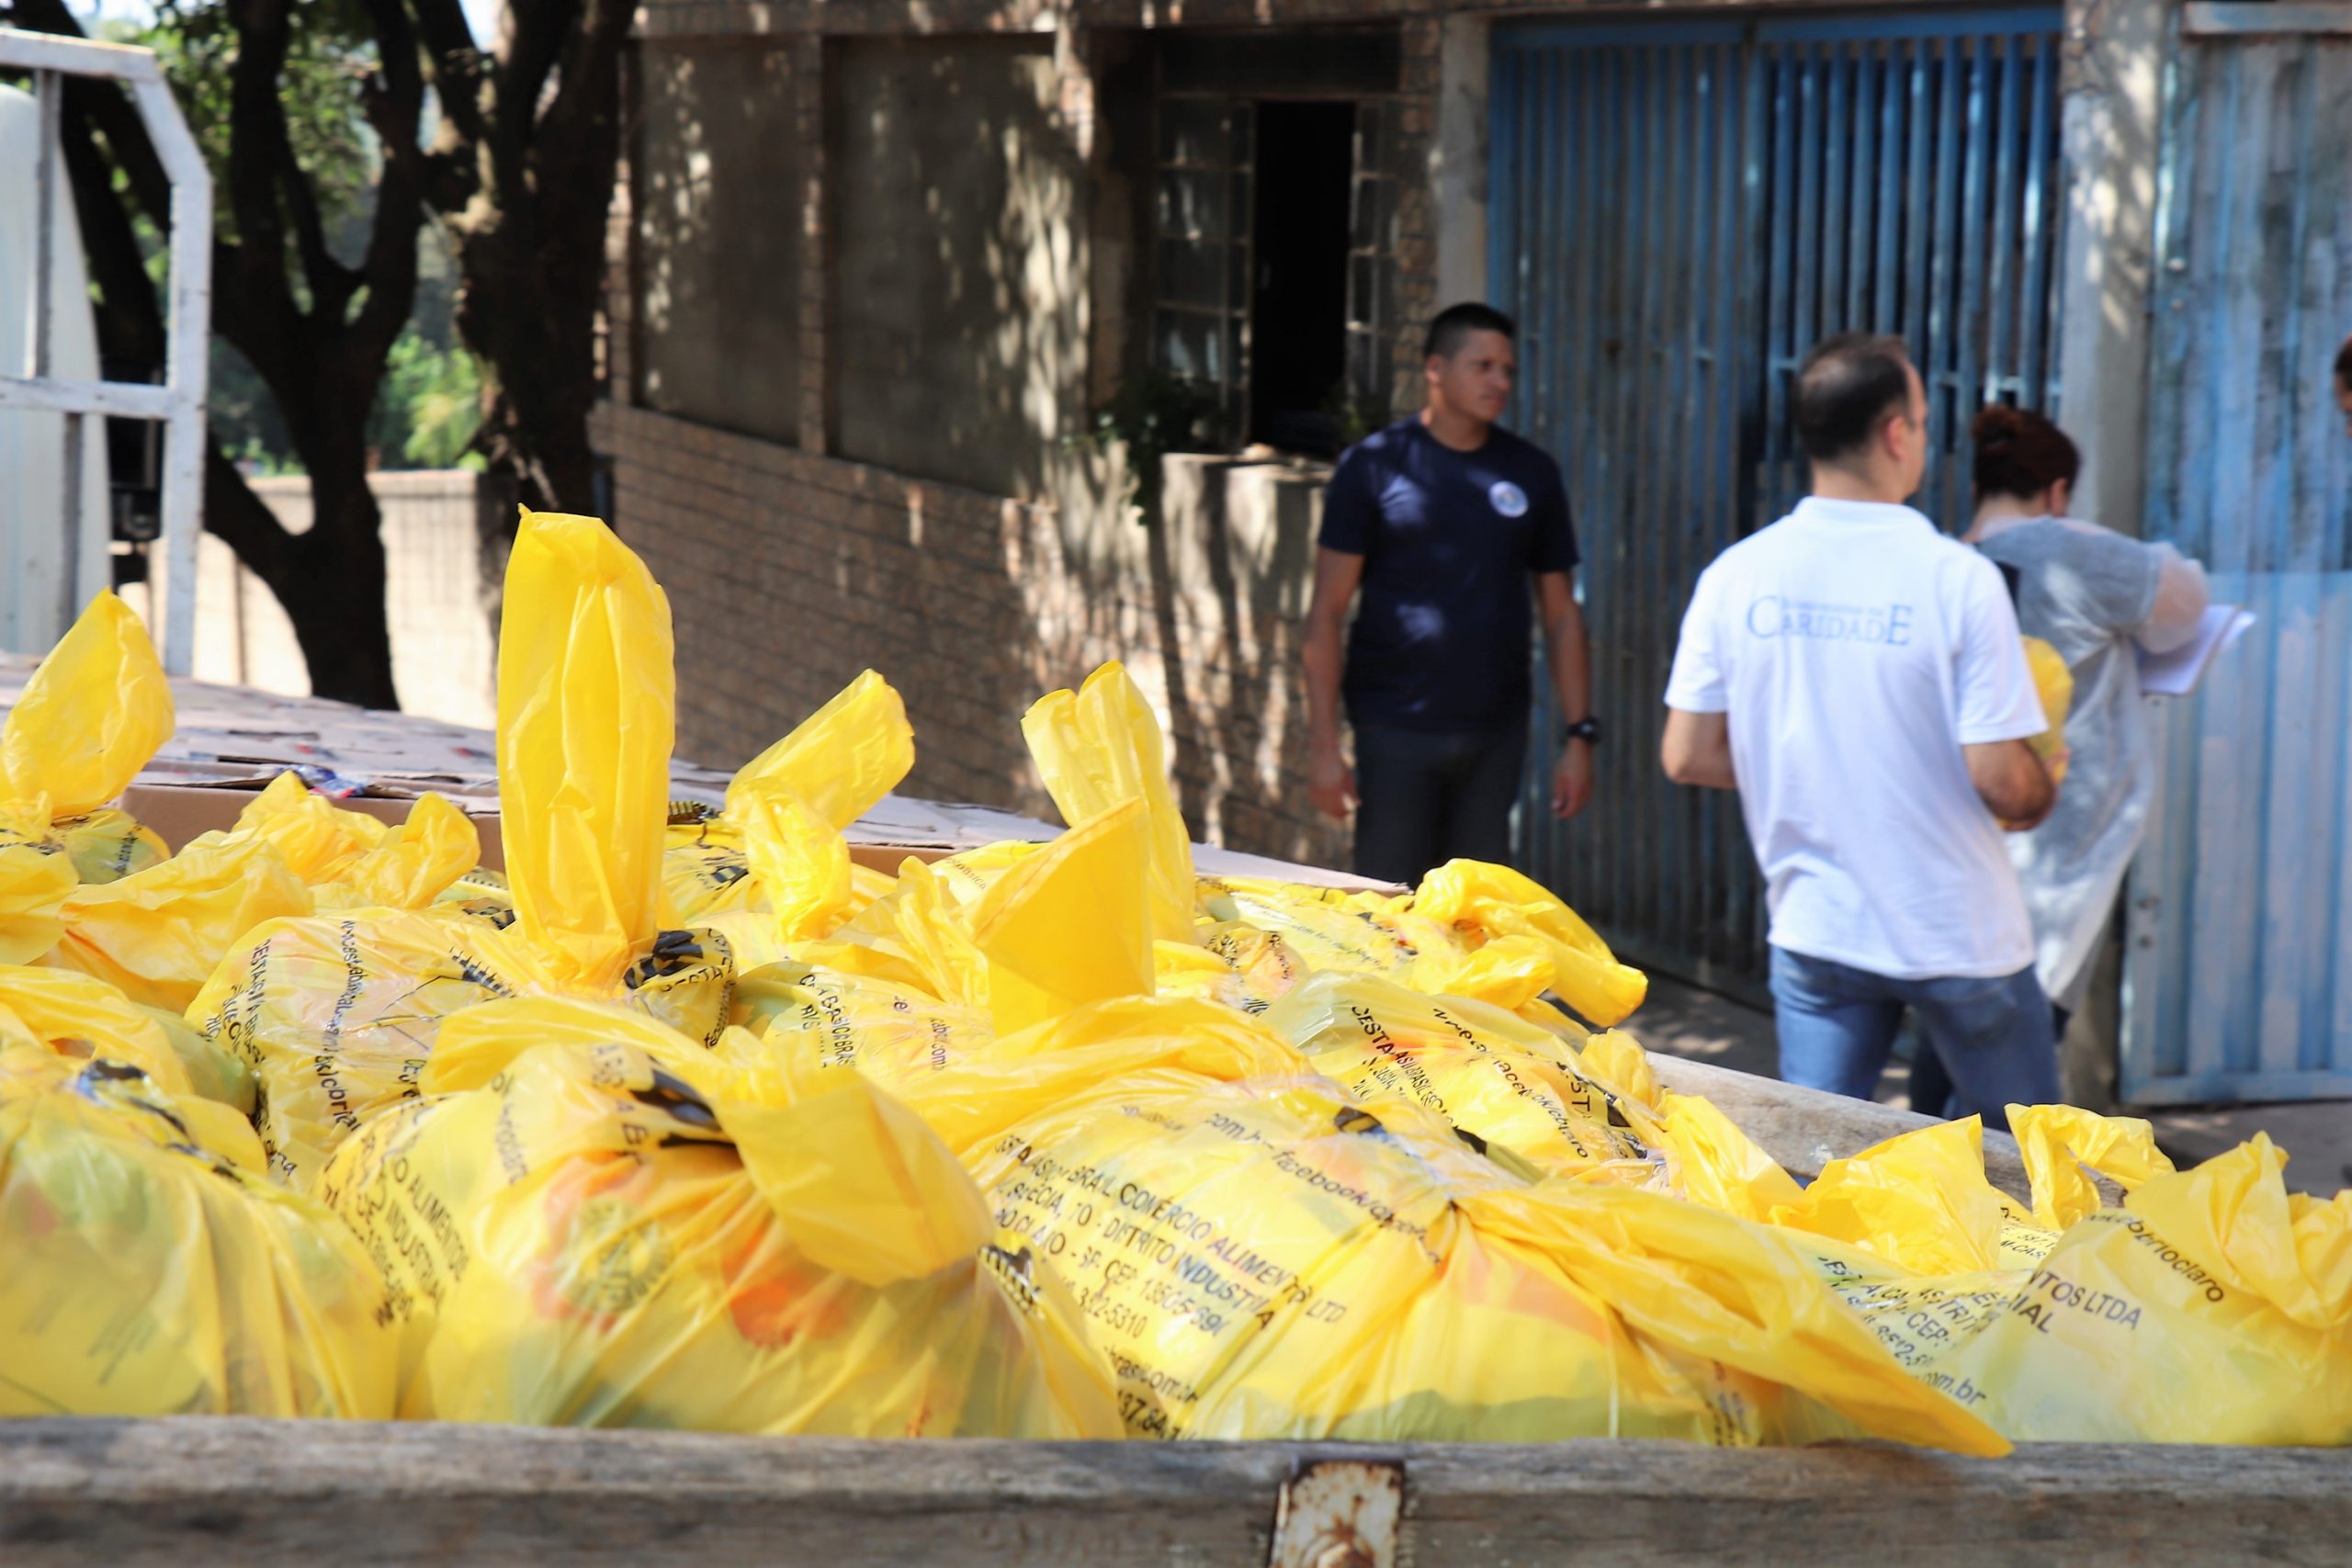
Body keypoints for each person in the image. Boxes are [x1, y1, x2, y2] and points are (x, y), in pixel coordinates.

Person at [1658, 333, 2060, 1128]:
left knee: (1816, 1171)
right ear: (1897, 433)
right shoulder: (1957, 579)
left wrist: (1819, 759)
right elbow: (2001, 779)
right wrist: (2045, 780)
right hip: (1960, 934)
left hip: (1819, 934)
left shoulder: (1736, 574)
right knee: (2048, 1177)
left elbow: (1687, 754)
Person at [1897, 406, 2210, 1118]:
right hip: (2057, 836)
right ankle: (1980, 1209)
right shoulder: (2071, 549)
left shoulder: (1945, 560)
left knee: (1948, 1035)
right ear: (2059, 489)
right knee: (2020, 1047)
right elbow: (2187, 601)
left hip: (1954, 829)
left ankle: (1919, 1181)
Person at [1301, 302, 1594, 886]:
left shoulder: (1530, 472)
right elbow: (1325, 616)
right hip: (1395, 731)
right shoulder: (1375, 468)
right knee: (1392, 912)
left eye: (1508, 369)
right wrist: (1323, 748)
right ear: (1436, 369)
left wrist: (1580, 735)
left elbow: (1562, 616)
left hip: (1495, 735)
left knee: (1477, 916)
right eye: (1482, 366)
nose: (1500, 382)